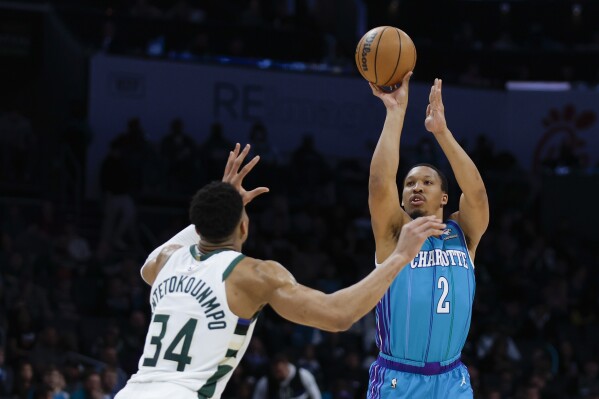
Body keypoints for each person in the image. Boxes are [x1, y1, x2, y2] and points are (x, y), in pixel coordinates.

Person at [115, 143, 446, 399]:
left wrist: (221, 202)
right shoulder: (253, 274)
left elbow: (148, 264)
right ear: (244, 227)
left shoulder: (165, 262)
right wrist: (400, 256)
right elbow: (338, 315)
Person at [366, 74, 489, 398]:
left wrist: (442, 133)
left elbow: (476, 194)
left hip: (452, 379)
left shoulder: (463, 234)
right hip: (398, 379)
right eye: (409, 184)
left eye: (427, 182)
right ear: (403, 198)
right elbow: (380, 185)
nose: (416, 187)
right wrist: (395, 113)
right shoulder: (394, 234)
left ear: (445, 197)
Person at [252, 353, 321, 399]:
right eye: (275, 372)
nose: (277, 375)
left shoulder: (303, 375)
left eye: (279, 371)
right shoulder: (265, 382)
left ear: (286, 365)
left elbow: (316, 396)